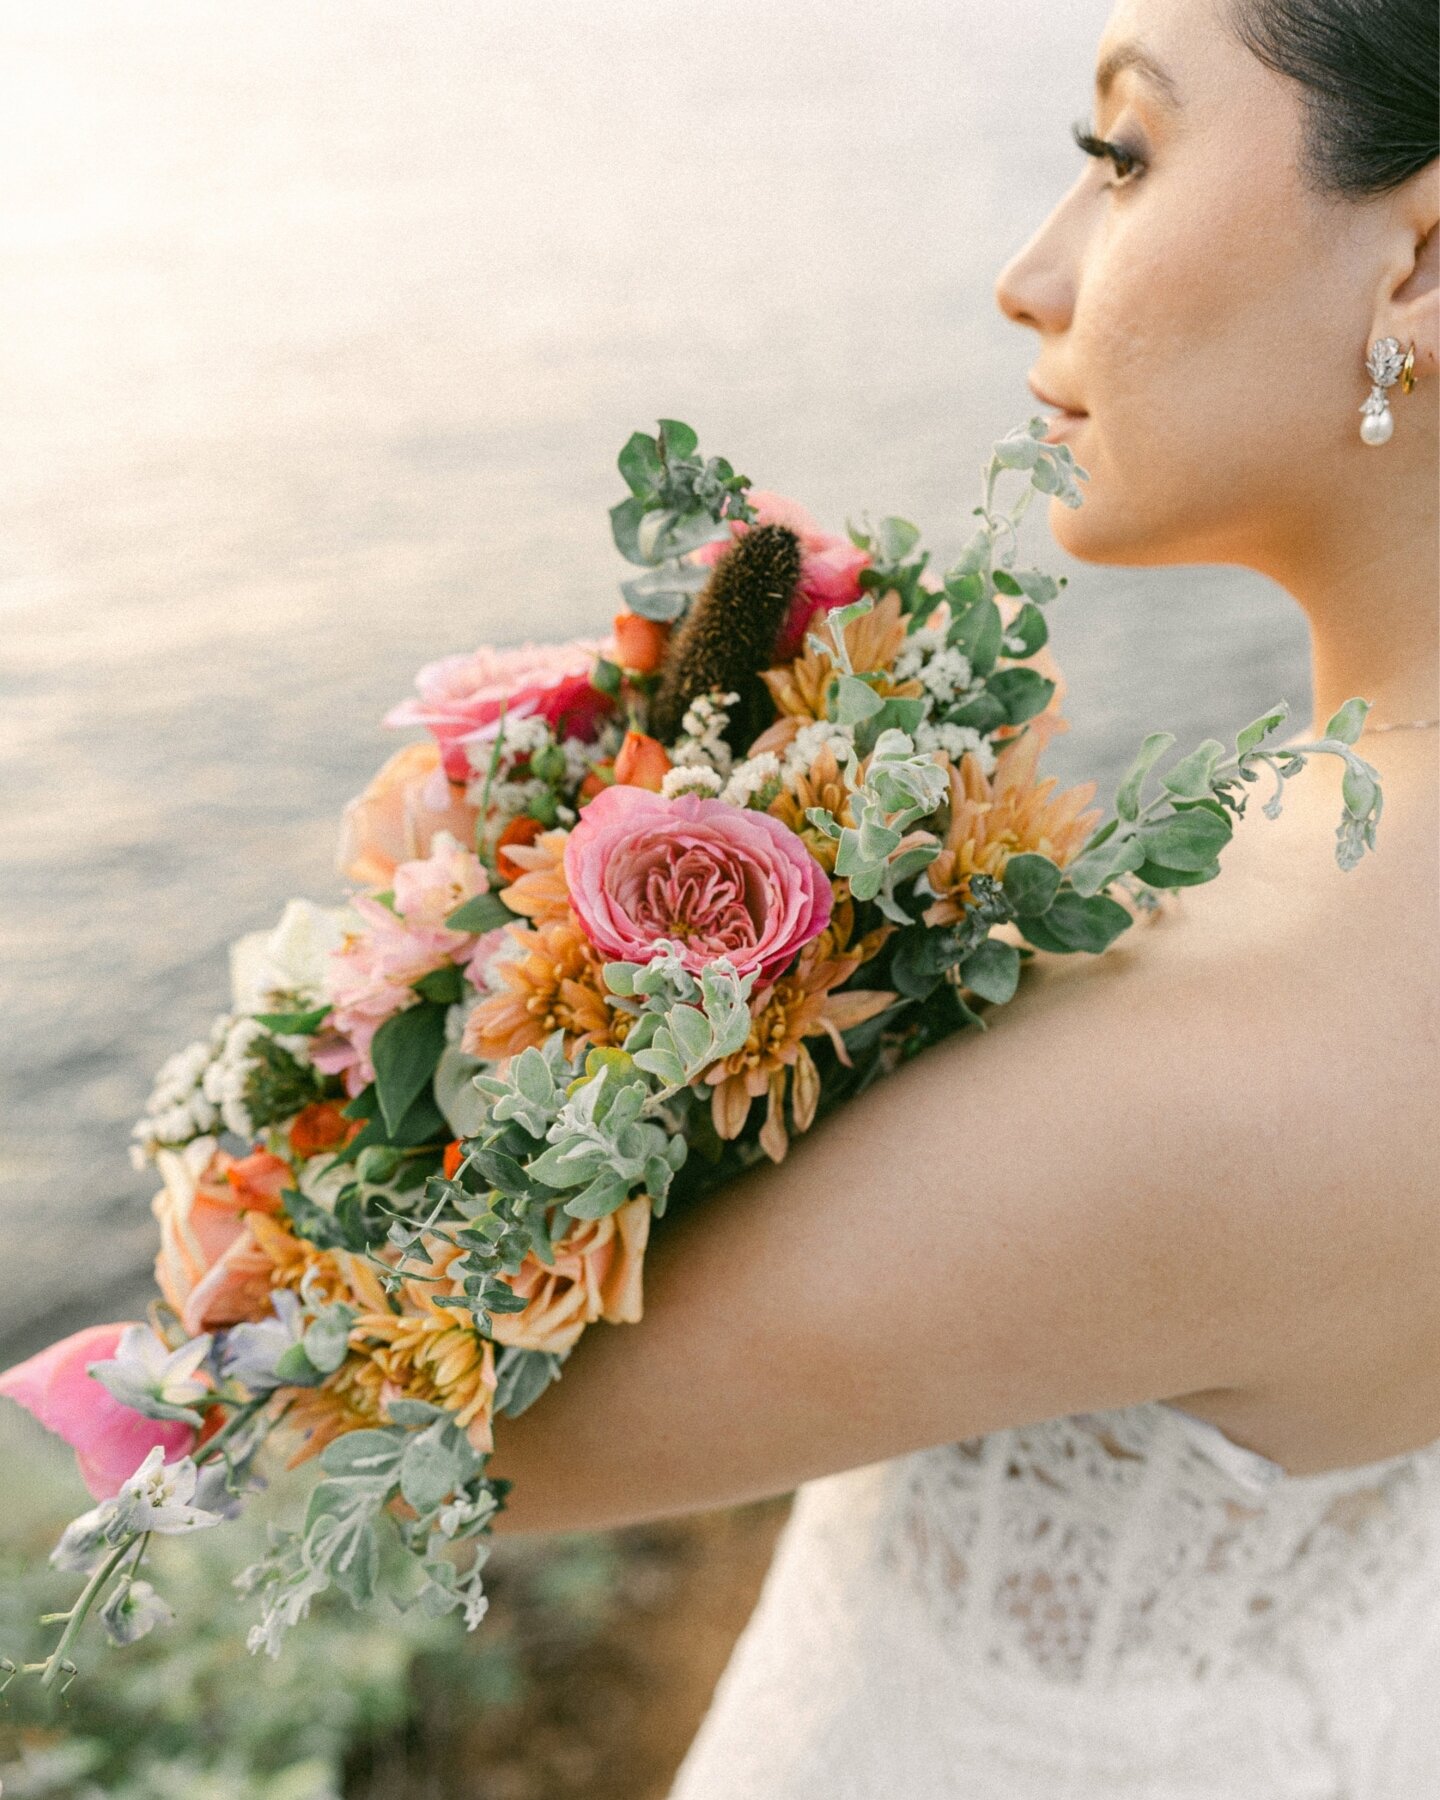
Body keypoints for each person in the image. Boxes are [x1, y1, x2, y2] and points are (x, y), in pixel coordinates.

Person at [488, 1, 1440, 1790]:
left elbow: (456, 1433)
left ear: (1423, 267)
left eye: (1123, 156)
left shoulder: (1227, 1037)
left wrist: (493, 919)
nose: (1031, 274)